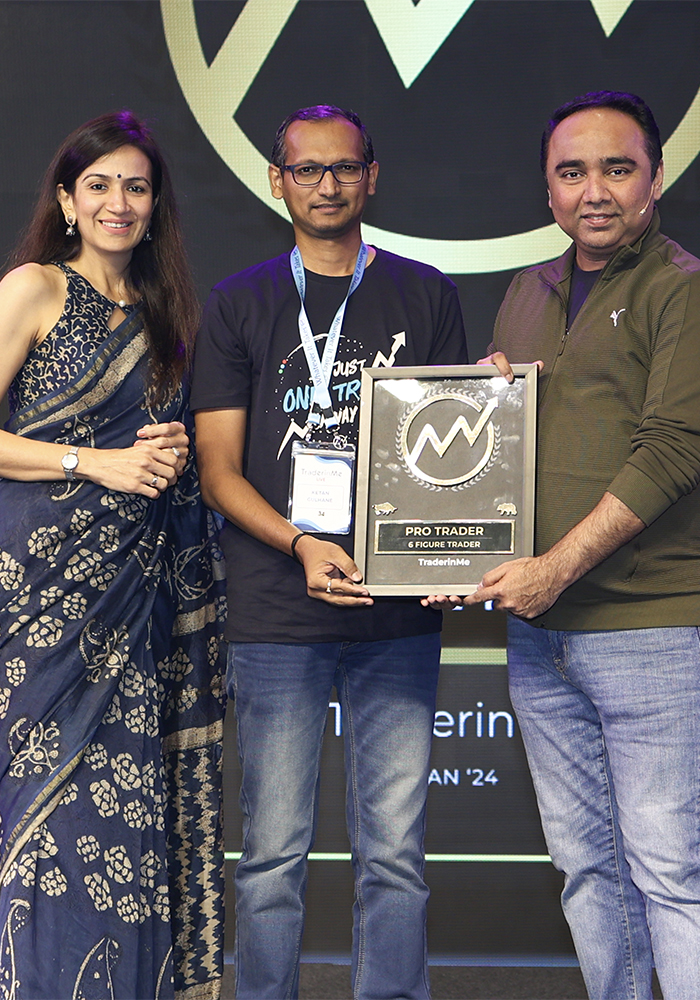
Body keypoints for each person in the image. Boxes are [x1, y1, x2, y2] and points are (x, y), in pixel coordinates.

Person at [191, 105, 468, 1000]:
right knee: (271, 856)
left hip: (397, 613)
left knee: (396, 856)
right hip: (277, 610)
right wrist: (303, 543)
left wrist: (448, 555)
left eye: (344, 167)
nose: (327, 184)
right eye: (307, 170)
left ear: (371, 177)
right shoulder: (239, 302)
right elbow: (217, 471)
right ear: (278, 181)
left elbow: (453, 456)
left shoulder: (426, 294)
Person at [464, 91, 700, 999]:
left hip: (648, 628)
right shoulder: (530, 290)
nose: (593, 190)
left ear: (656, 178)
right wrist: (486, 404)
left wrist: (555, 568)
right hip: (541, 636)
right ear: (549, 188)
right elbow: (505, 451)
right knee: (587, 868)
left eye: (617, 168)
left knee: (670, 868)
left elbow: (672, 449)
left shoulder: (681, 287)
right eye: (572, 172)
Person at [0, 111, 225, 999]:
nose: (117, 203)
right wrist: (95, 462)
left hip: (135, 603)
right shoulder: (34, 289)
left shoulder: (167, 320)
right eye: (98, 185)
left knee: (123, 818)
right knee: (43, 814)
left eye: (136, 186)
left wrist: (169, 459)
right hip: (41, 606)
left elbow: (160, 456)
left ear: (155, 204)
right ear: (67, 200)